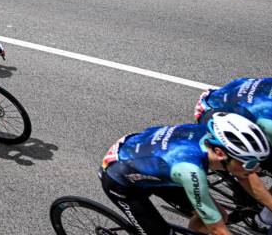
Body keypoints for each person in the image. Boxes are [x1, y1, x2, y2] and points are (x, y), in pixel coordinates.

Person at [100, 112, 270, 235]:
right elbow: (218, 230)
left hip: (152, 164)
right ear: (220, 153)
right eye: (249, 163)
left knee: (220, 216)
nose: (255, 170)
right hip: (120, 179)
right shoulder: (191, 170)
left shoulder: (207, 136)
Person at [195, 78, 272, 232]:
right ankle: (264, 220)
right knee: (245, 165)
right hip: (215, 114)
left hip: (238, 103)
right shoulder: (268, 123)